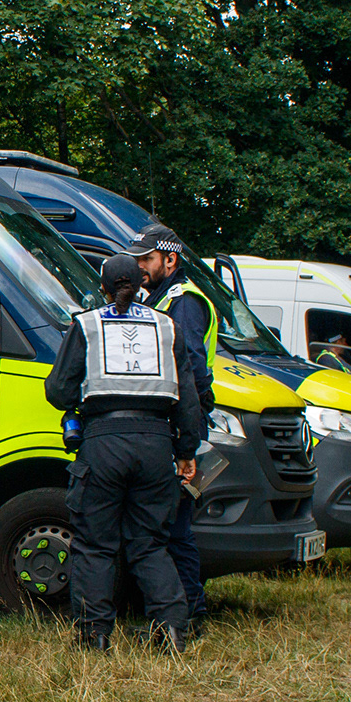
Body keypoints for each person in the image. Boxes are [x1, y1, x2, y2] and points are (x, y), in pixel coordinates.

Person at [44, 253, 206, 652]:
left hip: (103, 443)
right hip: (155, 446)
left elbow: (58, 391)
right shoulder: (167, 327)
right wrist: (186, 450)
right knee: (150, 544)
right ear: (141, 284)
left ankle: (94, 635)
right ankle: (170, 629)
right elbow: (188, 399)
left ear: (103, 287)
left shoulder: (88, 325)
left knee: (95, 545)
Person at [129, 224, 217, 635]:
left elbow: (192, 371)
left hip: (178, 423)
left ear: (171, 259)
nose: (140, 267)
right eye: (137, 259)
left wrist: (187, 435)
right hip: (166, 425)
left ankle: (190, 615)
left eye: (147, 259)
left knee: (175, 528)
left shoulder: (184, 302)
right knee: (165, 525)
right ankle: (177, 613)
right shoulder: (159, 298)